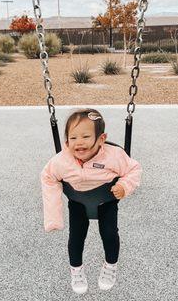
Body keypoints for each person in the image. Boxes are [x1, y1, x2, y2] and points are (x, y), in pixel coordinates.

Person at [40, 108, 142, 294]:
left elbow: (134, 169)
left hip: (106, 202)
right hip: (77, 203)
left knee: (110, 234)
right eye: (73, 138)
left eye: (86, 136)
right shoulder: (62, 160)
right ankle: (76, 270)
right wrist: (54, 218)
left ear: (101, 139)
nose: (79, 143)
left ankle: (110, 266)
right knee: (76, 237)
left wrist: (124, 186)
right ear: (66, 141)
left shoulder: (114, 155)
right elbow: (48, 177)